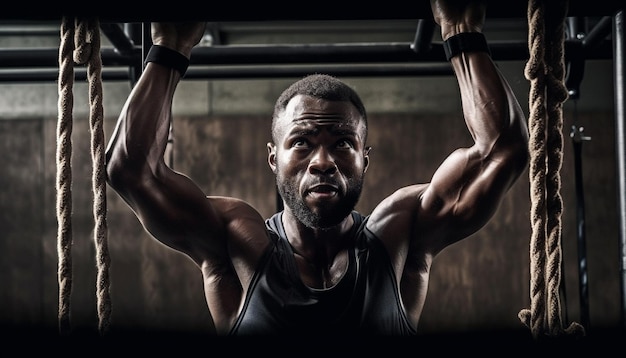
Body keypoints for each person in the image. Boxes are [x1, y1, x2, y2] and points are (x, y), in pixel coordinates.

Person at [105, 0, 529, 336]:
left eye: (342, 144)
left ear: (365, 157)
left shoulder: (401, 233)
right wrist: (169, 48)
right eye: (302, 143)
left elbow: (502, 151)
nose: (323, 162)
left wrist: (461, 32)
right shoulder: (235, 243)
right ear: (274, 158)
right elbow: (131, 170)